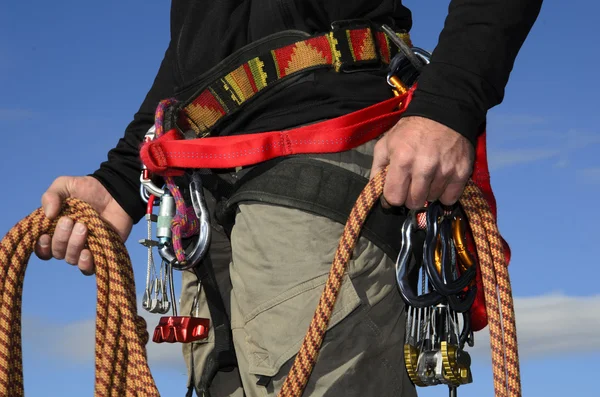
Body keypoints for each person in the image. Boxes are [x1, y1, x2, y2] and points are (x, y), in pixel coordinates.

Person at [34, 0, 543, 395]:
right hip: (205, 191)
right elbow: (203, 41)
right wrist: (123, 176)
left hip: (324, 148)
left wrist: (448, 103)